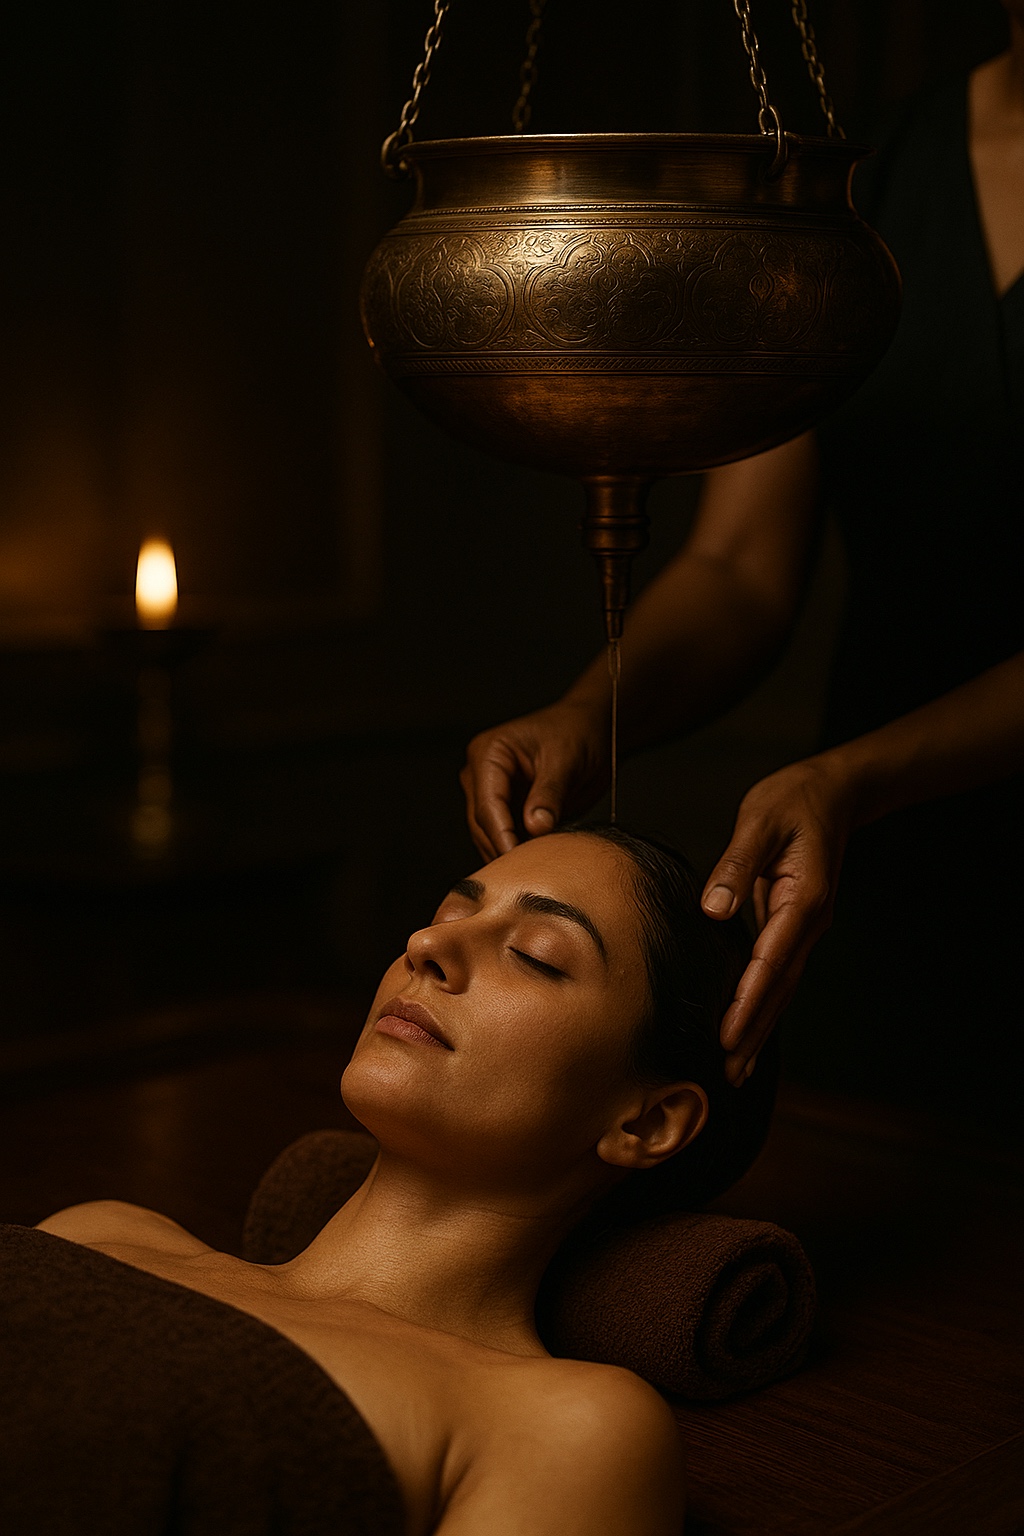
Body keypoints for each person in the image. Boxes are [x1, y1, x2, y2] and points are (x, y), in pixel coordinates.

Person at [461, 10, 1024, 1117]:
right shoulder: (865, 183)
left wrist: (857, 780)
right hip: (880, 871)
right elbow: (737, 569)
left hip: (859, 795)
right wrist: (588, 710)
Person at [37, 825, 775, 1536]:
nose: (427, 946)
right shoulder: (99, 1233)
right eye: (446, 914)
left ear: (647, 1123)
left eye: (537, 956)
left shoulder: (555, 1427)